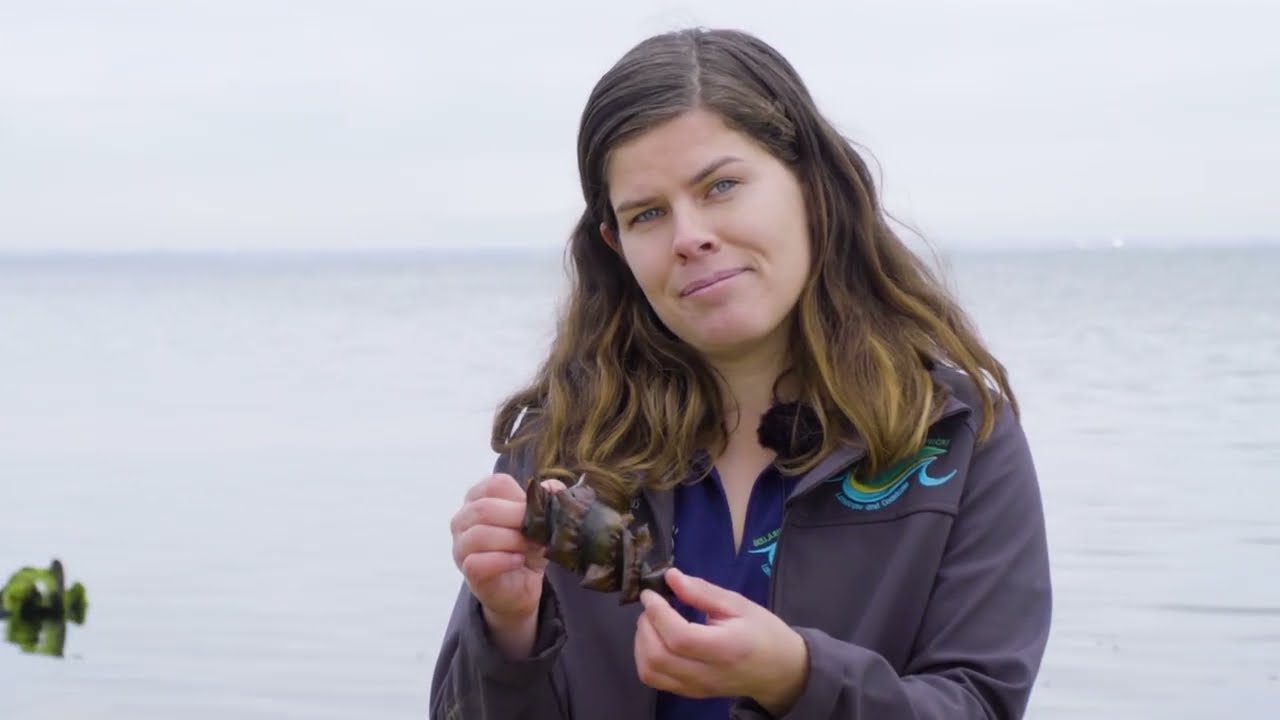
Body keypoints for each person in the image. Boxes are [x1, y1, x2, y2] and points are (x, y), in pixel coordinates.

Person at [430, 26, 1052, 720]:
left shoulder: (954, 435)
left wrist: (799, 681)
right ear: (616, 247)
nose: (689, 236)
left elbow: (981, 704)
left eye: (721, 186)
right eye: (648, 214)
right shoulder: (560, 449)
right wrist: (509, 631)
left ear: (812, 186)